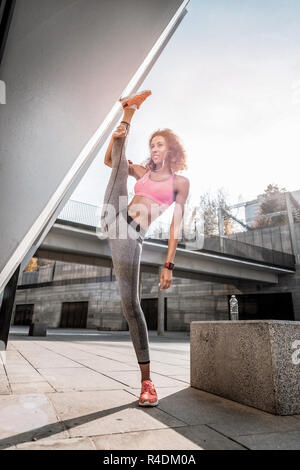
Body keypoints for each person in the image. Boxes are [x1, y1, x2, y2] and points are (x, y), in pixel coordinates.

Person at [101, 90, 190, 406]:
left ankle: (147, 382)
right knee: (119, 166)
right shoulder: (143, 171)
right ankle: (129, 113)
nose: (154, 148)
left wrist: (169, 264)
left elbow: (176, 225)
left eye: (159, 144)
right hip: (114, 215)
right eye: (151, 144)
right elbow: (111, 162)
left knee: (130, 305)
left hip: (130, 235)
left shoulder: (179, 182)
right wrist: (116, 139)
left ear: (171, 149)